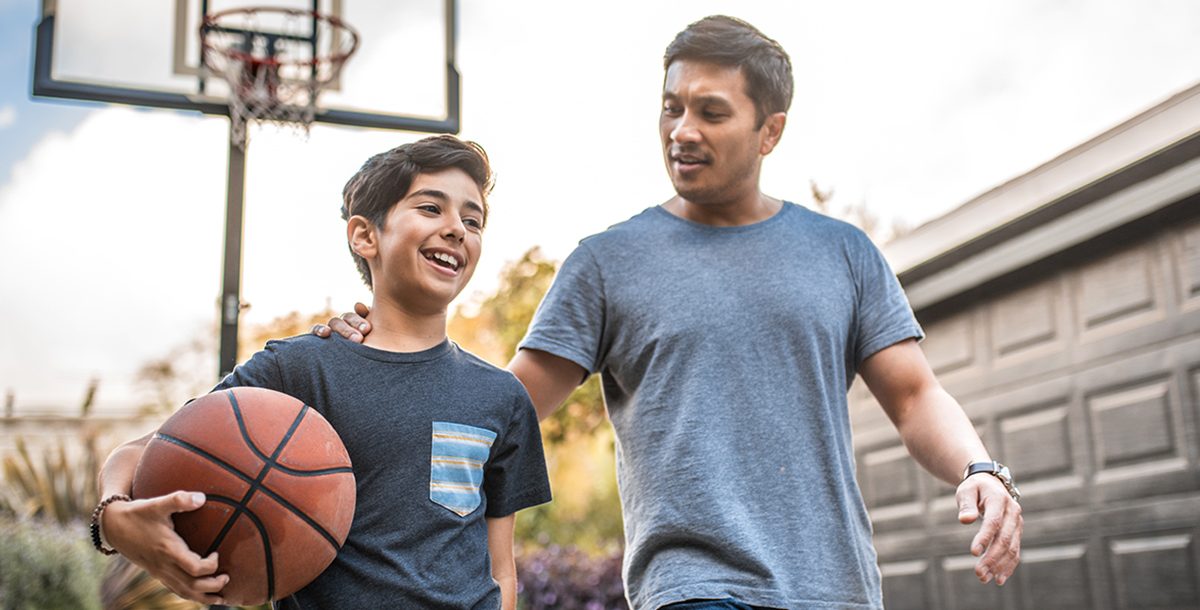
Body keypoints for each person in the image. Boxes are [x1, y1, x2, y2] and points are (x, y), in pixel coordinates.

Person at [323, 15, 1024, 610]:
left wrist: (979, 468)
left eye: (711, 112)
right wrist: (377, 352)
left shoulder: (842, 253)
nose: (682, 130)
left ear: (769, 130)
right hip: (694, 587)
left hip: (837, 588)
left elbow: (914, 397)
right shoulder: (608, 262)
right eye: (671, 107)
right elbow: (499, 411)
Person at [94, 135, 552, 609]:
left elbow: (501, 568)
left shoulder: (501, 395)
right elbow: (143, 453)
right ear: (364, 235)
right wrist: (113, 518)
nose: (457, 228)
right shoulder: (301, 368)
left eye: (472, 219)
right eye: (431, 209)